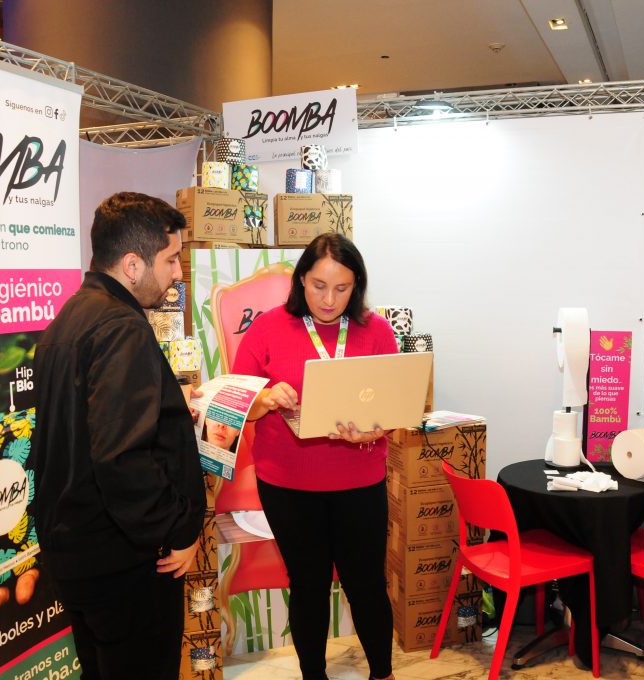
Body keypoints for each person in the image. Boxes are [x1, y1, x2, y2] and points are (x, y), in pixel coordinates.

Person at [32, 192, 207, 679]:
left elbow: (85, 424)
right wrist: (175, 531)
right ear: (133, 265)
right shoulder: (121, 327)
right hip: (125, 563)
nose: (178, 274)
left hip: (80, 554)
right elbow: (121, 458)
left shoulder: (70, 317)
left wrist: (166, 405)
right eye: (170, 260)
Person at [232, 233, 398, 680]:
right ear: (301, 279)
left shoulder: (376, 331)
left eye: (342, 288)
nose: (329, 300)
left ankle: (383, 673)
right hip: (288, 485)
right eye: (319, 286)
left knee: (367, 584)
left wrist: (377, 428)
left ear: (356, 286)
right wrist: (266, 398)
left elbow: (393, 405)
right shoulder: (268, 328)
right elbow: (236, 403)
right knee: (308, 585)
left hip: (360, 482)